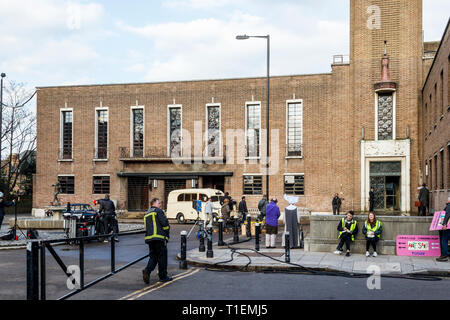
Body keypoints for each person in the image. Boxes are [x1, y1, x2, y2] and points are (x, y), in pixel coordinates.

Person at [142, 198, 172, 284]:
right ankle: (163, 277)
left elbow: (146, 227)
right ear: (154, 203)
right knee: (162, 257)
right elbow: (165, 224)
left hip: (150, 239)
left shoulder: (146, 213)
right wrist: (167, 235)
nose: (160, 205)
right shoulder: (158, 211)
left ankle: (147, 271)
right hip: (159, 238)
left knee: (154, 257)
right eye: (159, 203)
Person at [436, 197, 450, 262]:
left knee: (444, 240)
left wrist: (444, 224)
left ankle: (444, 255)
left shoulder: (449, 206)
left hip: (448, 227)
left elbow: (447, 214)